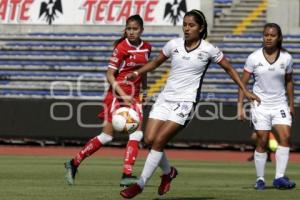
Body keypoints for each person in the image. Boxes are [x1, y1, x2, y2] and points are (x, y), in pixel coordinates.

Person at [120, 9, 260, 199]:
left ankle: (140, 184)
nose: (186, 28)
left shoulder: (208, 49)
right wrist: (137, 73)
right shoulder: (173, 45)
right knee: (149, 139)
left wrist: (244, 89)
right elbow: (155, 63)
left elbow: (229, 69)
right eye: (185, 24)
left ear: (201, 28)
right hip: (164, 99)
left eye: (191, 25)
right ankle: (169, 173)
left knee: (159, 141)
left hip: (185, 103)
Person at [64, 14, 151, 187]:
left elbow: (144, 70)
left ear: (142, 30)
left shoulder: (147, 47)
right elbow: (109, 74)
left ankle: (126, 174)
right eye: (128, 29)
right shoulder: (121, 47)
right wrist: (122, 94)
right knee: (106, 137)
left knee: (137, 134)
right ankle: (74, 163)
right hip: (118, 96)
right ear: (125, 29)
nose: (131, 32)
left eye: (135, 29)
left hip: (134, 97)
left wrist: (145, 89)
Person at [238, 23, 296, 190]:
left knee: (285, 138)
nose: (269, 38)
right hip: (260, 105)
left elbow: (290, 82)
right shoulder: (253, 58)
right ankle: (260, 179)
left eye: (272, 35)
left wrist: (291, 104)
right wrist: (240, 107)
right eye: (266, 35)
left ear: (279, 38)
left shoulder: (287, 58)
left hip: (280, 104)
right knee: (262, 141)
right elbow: (243, 84)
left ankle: (279, 178)